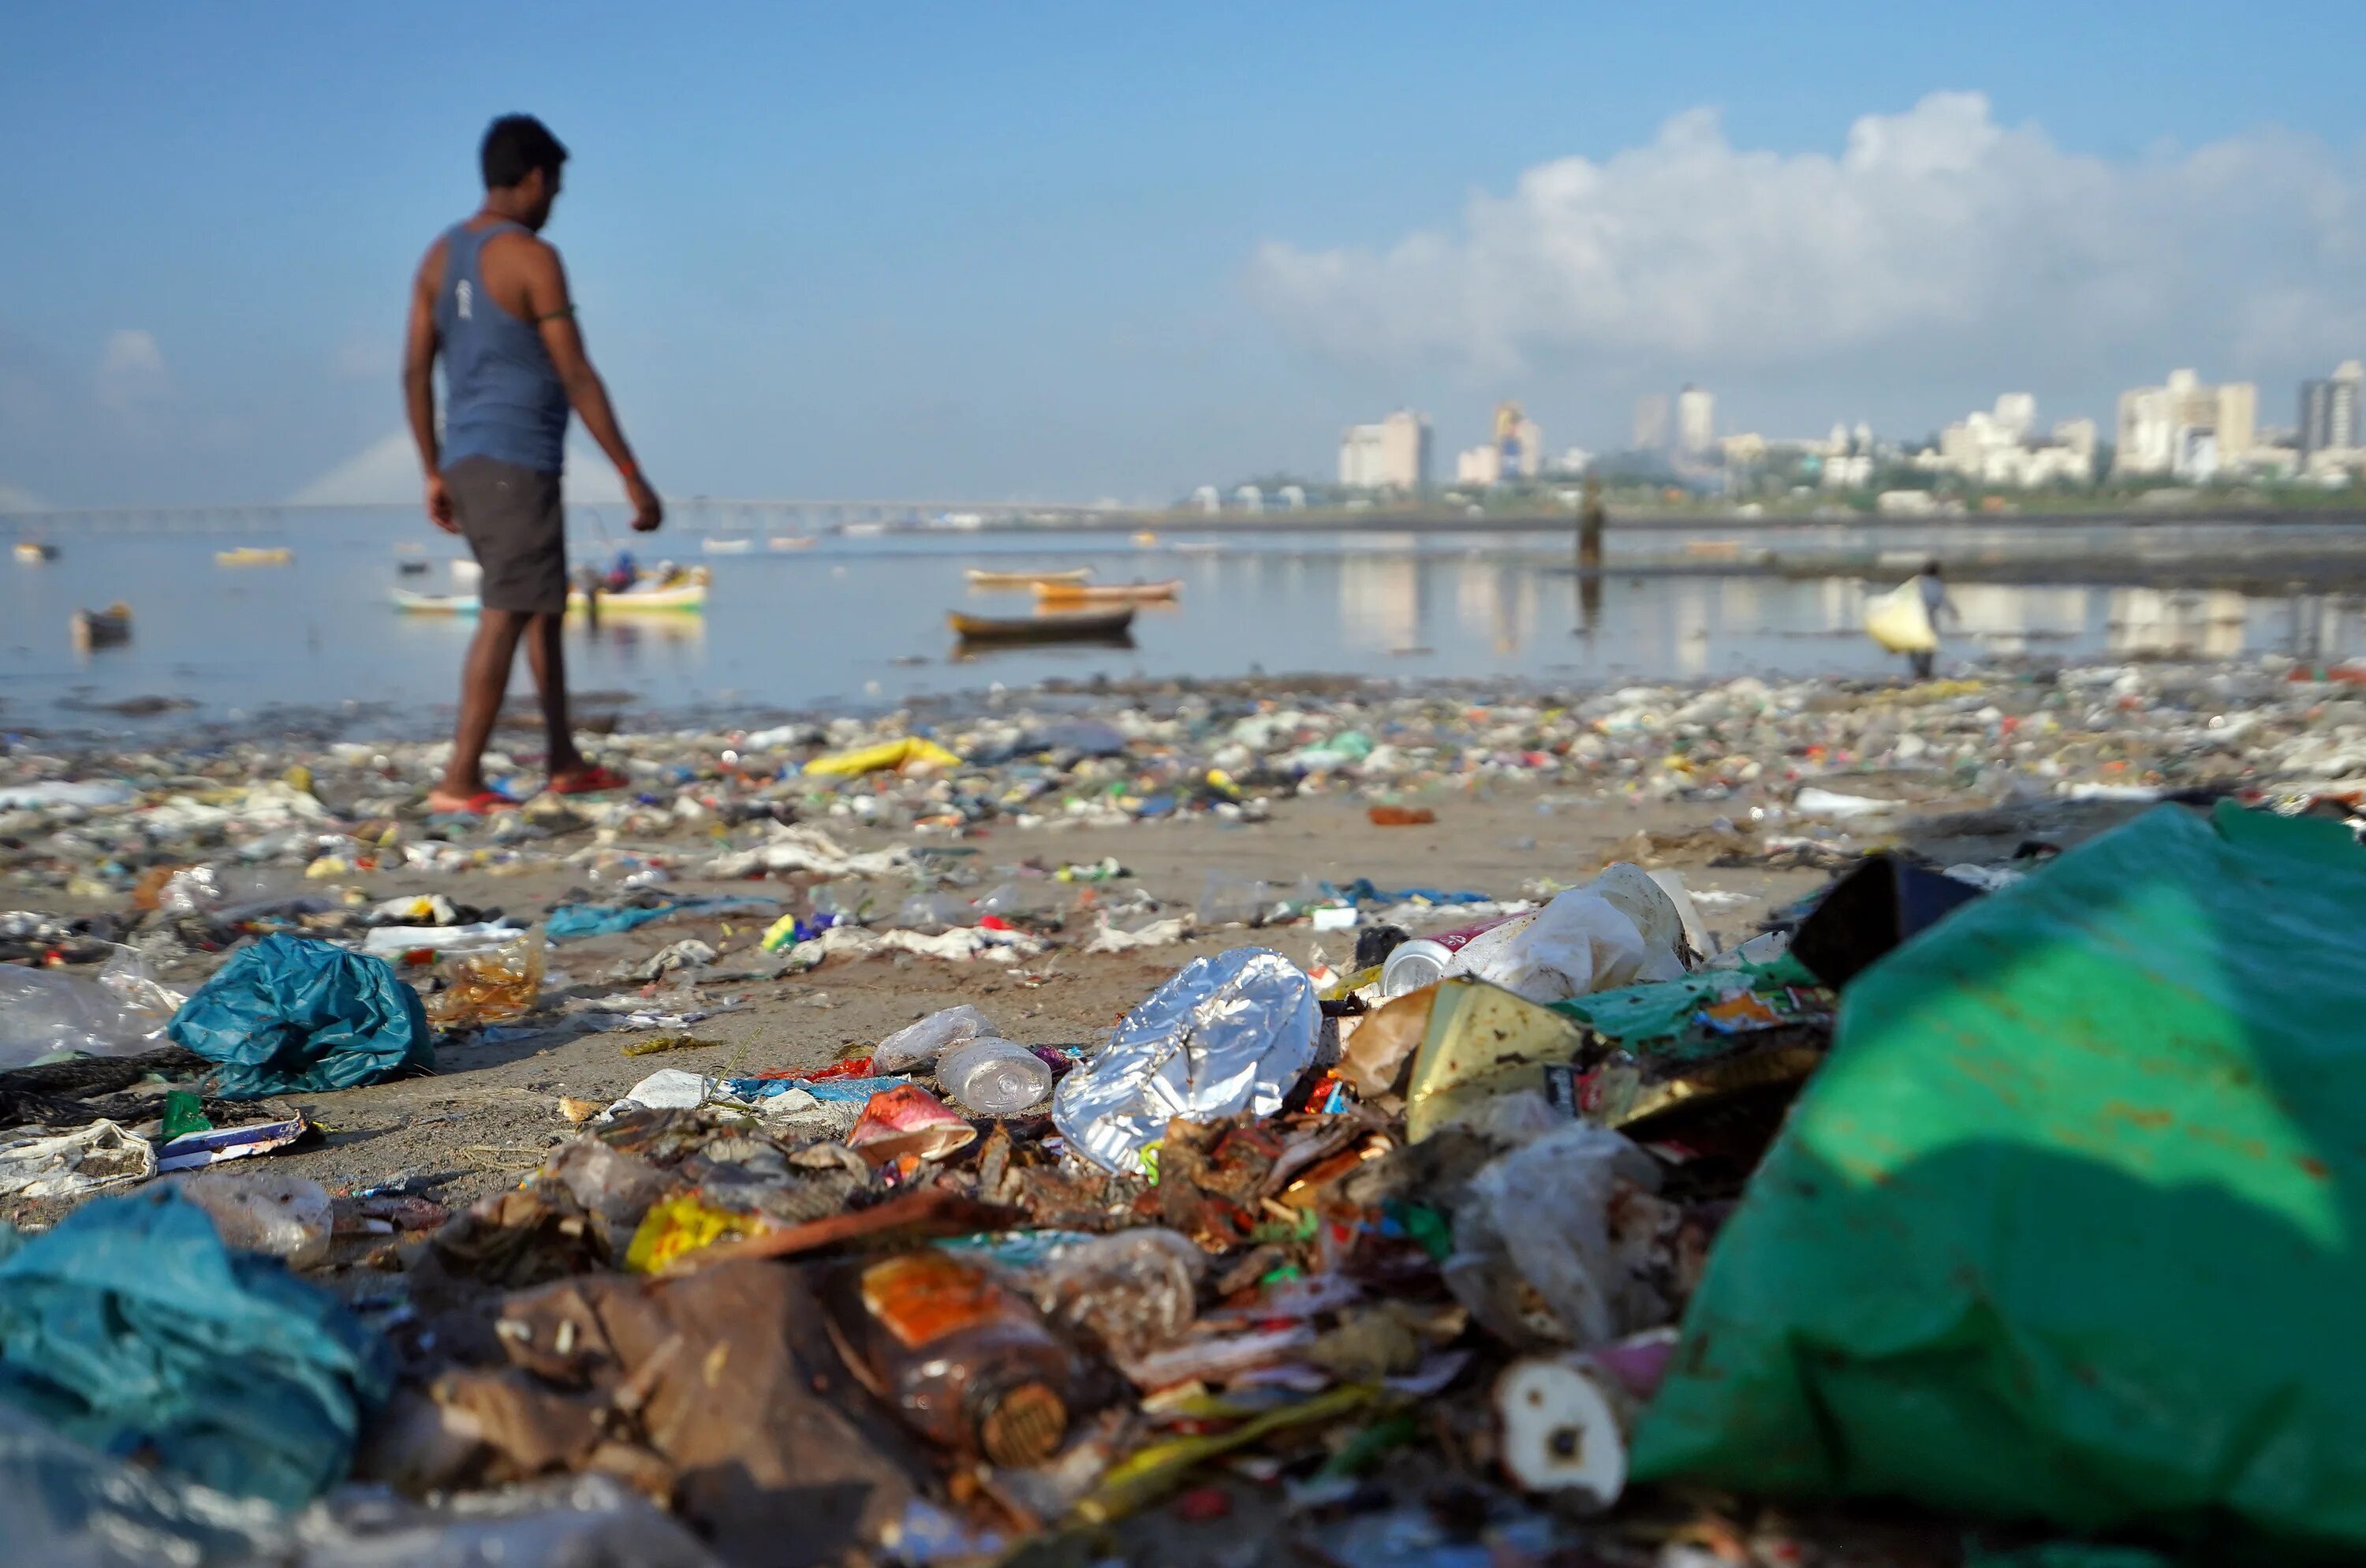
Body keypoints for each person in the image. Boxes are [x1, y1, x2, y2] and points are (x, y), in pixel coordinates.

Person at [403, 114, 661, 814]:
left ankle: (563, 758)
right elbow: (576, 373)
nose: (555, 204)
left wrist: (432, 468)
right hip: (515, 461)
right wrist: (631, 474)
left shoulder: (437, 256)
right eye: (556, 187)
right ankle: (459, 779)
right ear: (536, 178)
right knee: (510, 609)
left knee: (542, 607)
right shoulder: (531, 258)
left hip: (470, 459)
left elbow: (413, 372)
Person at [1910, 559, 1957, 680]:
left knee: (1913, 646)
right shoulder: (1937, 584)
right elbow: (1943, 600)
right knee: (1928, 646)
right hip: (1930, 617)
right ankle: (1926, 672)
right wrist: (1953, 613)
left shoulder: (1917, 583)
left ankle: (1917, 671)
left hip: (1915, 617)